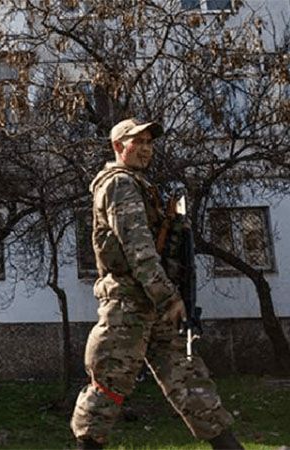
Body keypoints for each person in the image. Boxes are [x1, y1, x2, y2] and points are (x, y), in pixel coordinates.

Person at [70, 118, 243, 449]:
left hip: (155, 305)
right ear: (119, 147)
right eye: (139, 142)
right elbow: (140, 253)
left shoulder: (138, 185)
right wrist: (169, 299)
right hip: (129, 306)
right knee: (107, 389)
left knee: (191, 383)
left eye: (150, 142)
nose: (147, 148)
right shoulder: (119, 184)